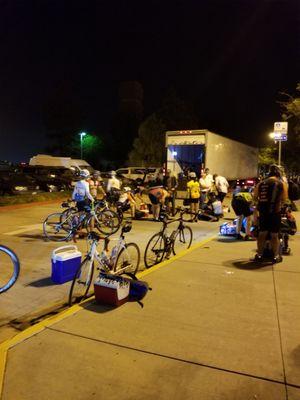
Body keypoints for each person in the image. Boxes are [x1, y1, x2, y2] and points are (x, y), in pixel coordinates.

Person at [252, 164, 288, 263]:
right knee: (274, 235)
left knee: (262, 233)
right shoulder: (281, 184)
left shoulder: (261, 183)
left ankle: (259, 255)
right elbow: (285, 199)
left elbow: (255, 198)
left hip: (263, 212)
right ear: (278, 173)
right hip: (275, 212)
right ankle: (276, 256)